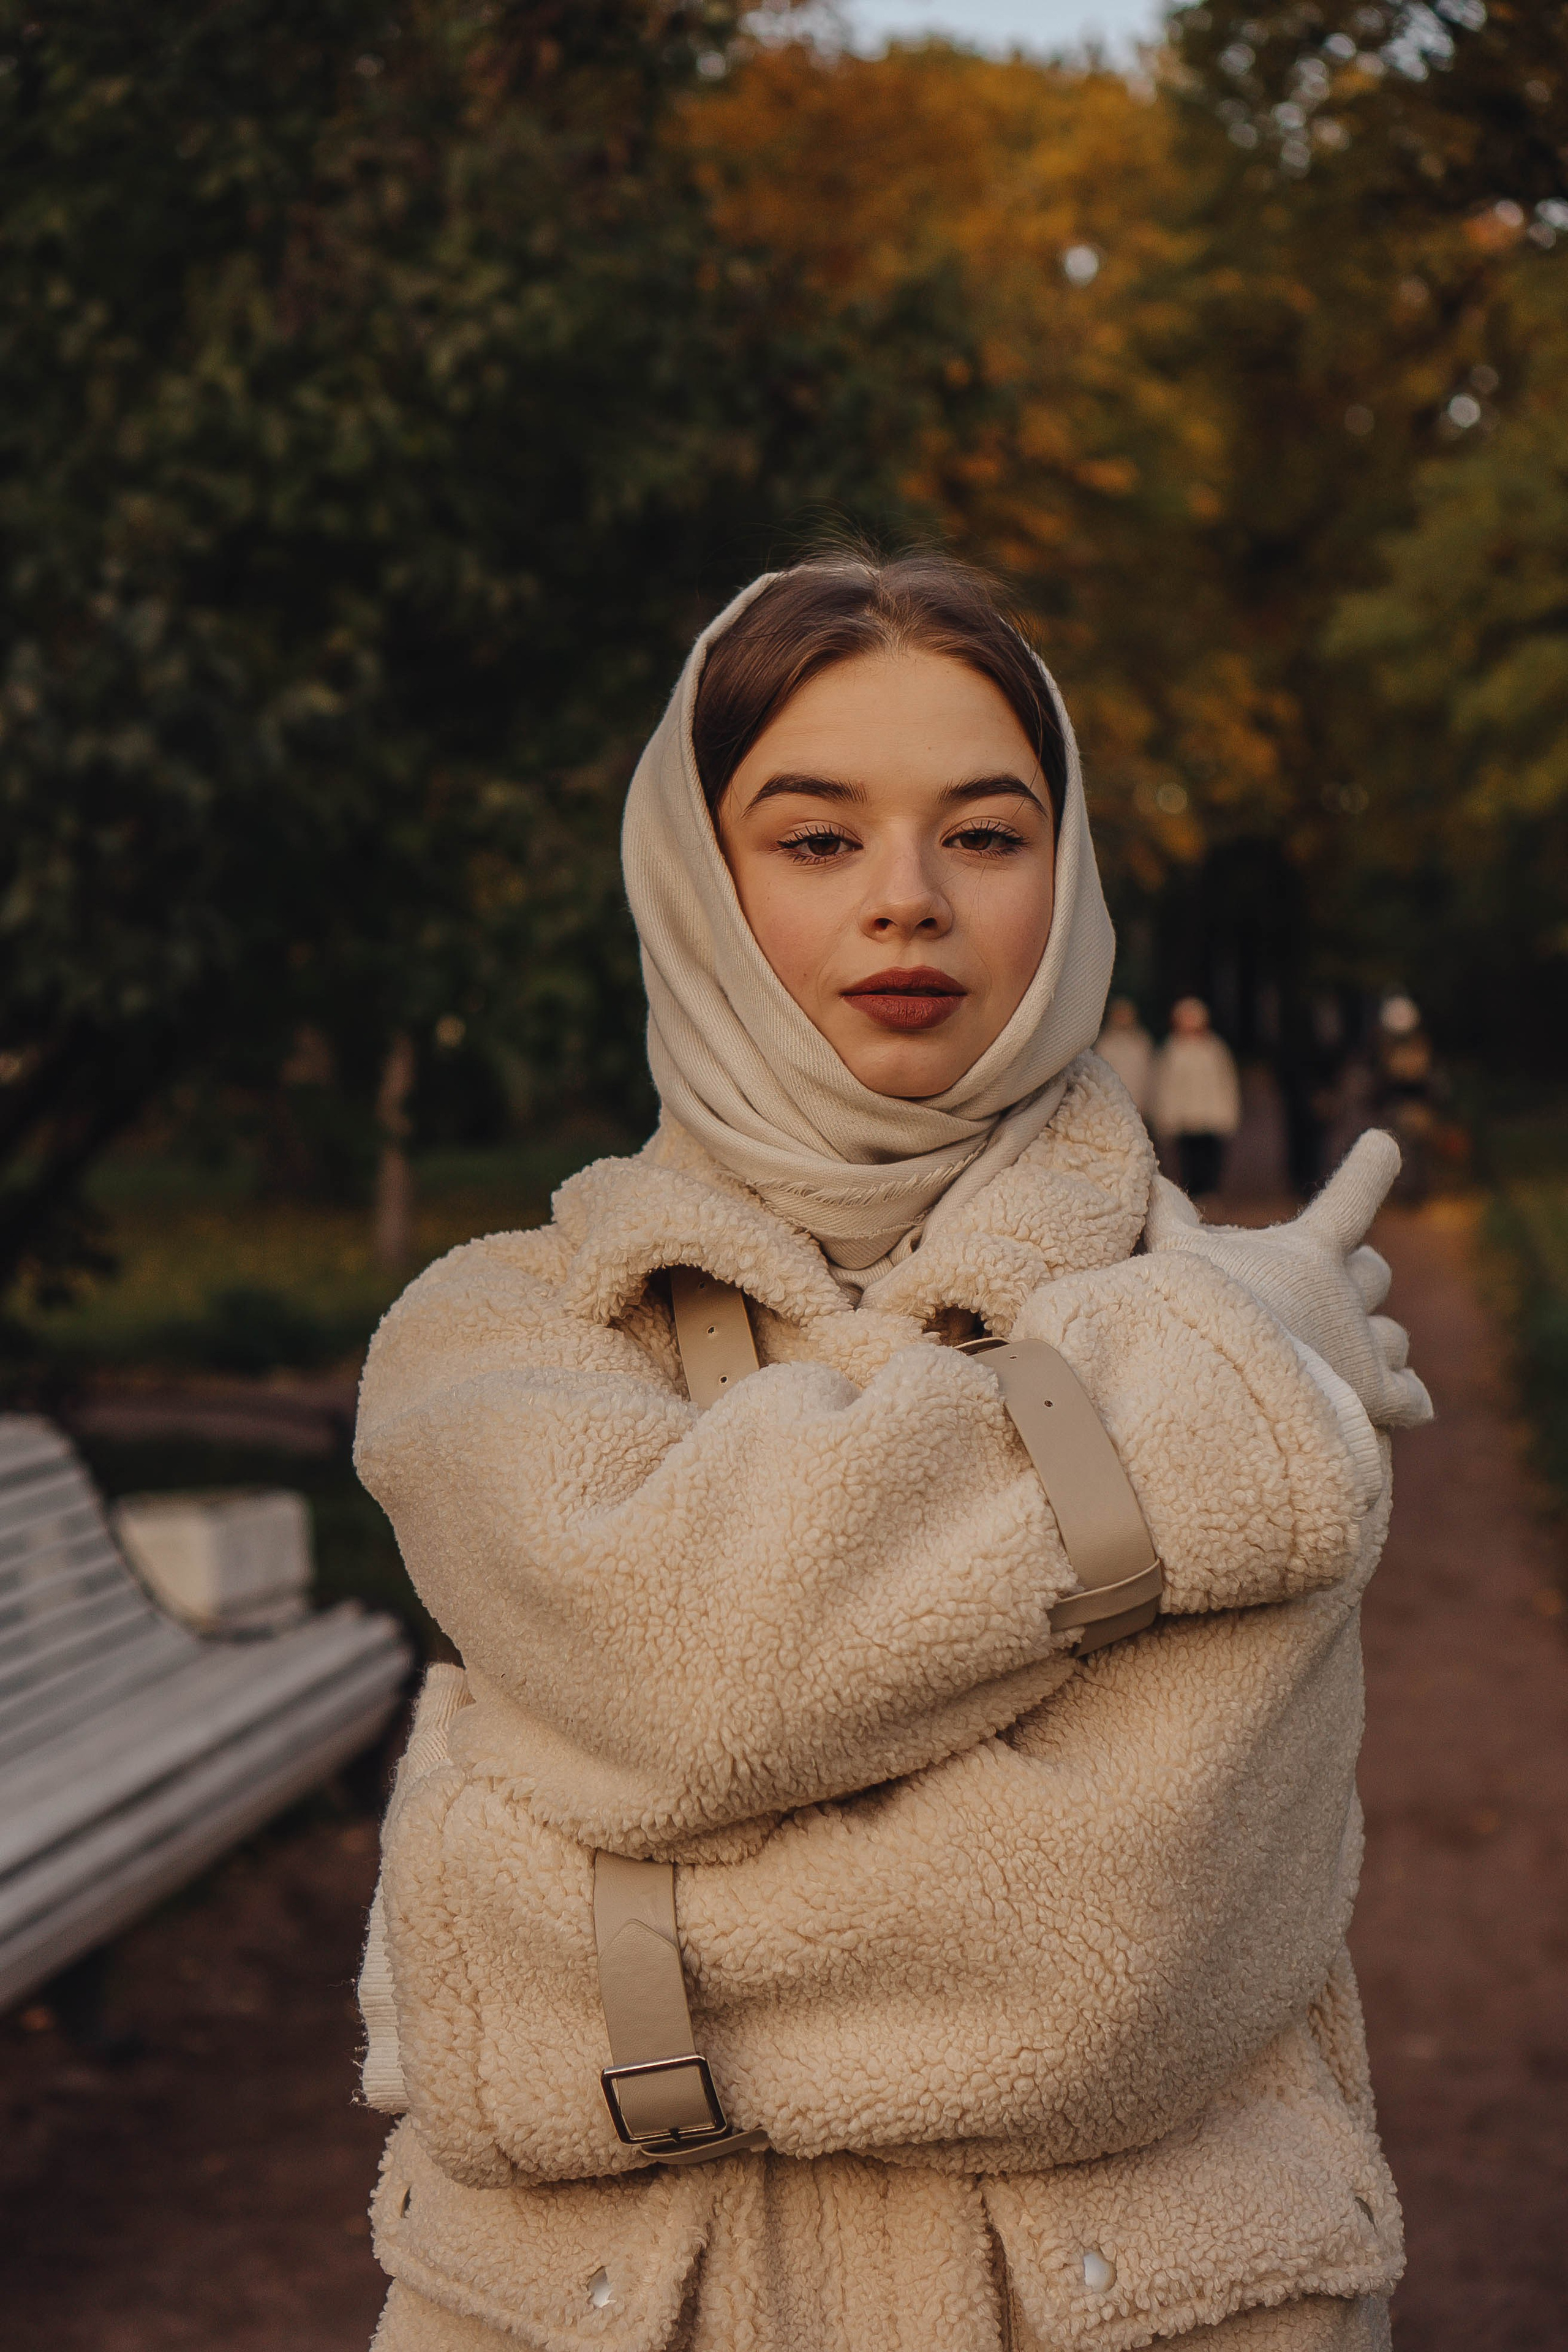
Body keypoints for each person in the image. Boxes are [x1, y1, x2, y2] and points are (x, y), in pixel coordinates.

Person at [352, 556, 1432, 2352]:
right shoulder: (493, 1339)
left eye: (984, 835)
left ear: (1064, 874)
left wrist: (553, 1970)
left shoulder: (1224, 1308)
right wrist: (1173, 1427)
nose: (908, 902)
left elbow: (1105, 1958)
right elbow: (697, 1665)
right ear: (698, 883)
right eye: (816, 838)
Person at [1152, 995, 1242, 1200]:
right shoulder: (1172, 1049)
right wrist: (1166, 1116)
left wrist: (1228, 1113)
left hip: (1211, 1117)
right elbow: (1165, 1086)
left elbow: (1226, 1083)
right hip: (1185, 1118)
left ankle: (1210, 1193)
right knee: (1187, 1160)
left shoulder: (1215, 1049)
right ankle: (1193, 1195)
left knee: (1210, 1158)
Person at [1094, 992, 1154, 1114]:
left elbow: (1149, 1074)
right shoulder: (1105, 1042)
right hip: (1110, 1105)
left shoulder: (1142, 1042)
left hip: (1138, 1104)